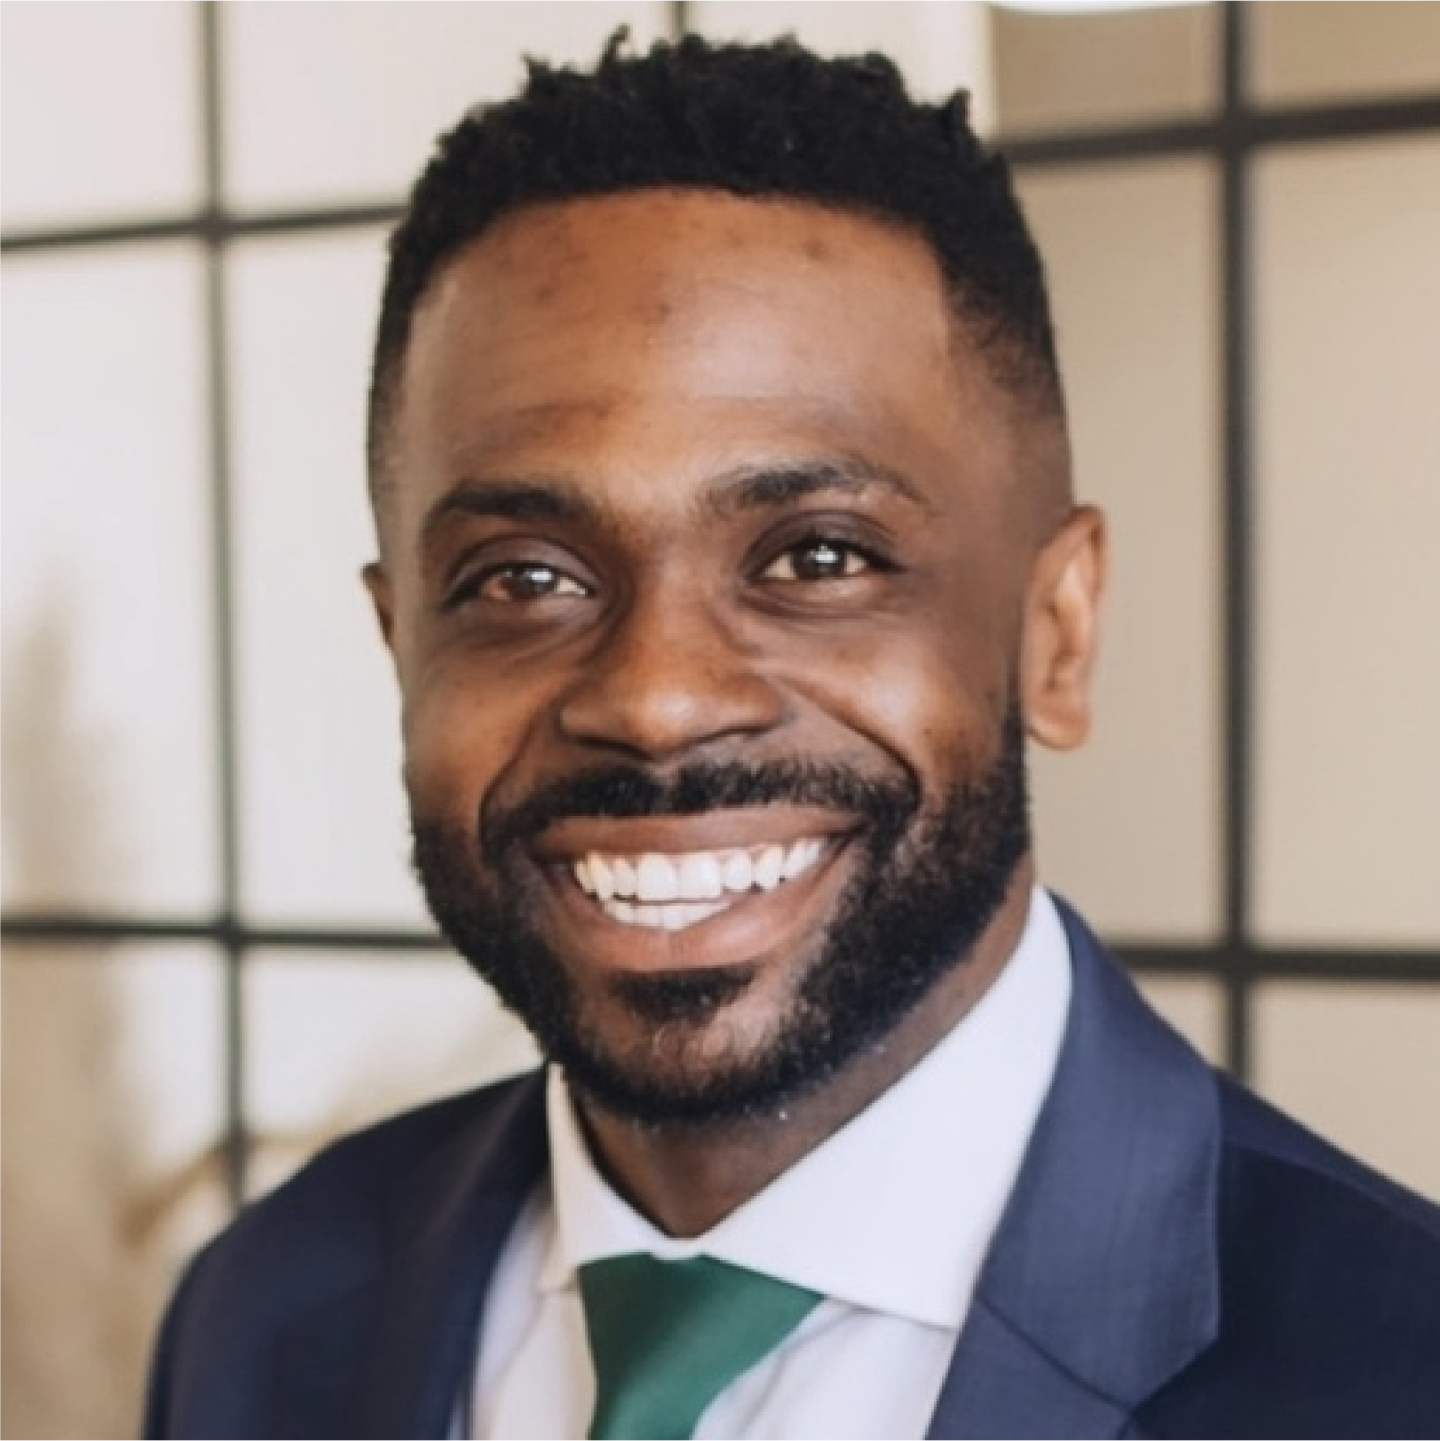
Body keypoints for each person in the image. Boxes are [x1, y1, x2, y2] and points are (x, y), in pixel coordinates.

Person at [142, 33, 1440, 1440]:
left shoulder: (1393, 1373)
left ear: (1055, 632)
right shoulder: (260, 1310)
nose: (657, 700)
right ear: (404, 649)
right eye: (524, 578)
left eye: (818, 558)